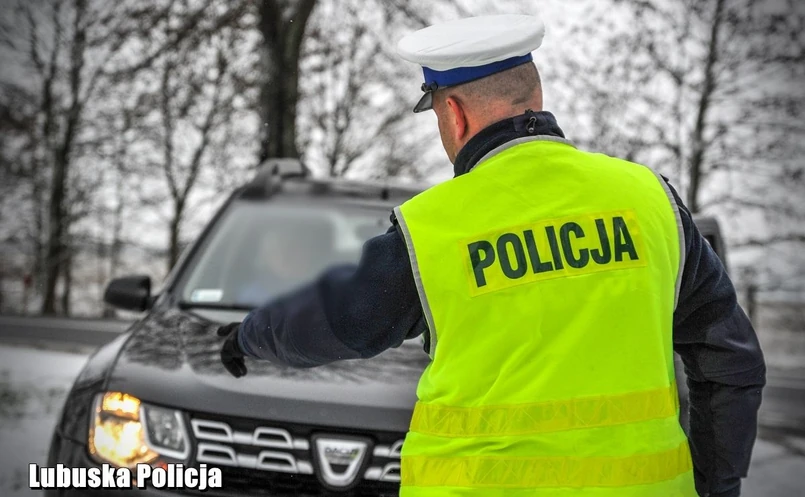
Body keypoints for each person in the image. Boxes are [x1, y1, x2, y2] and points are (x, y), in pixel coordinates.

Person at [217, 14, 765, 497]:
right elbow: (731, 359)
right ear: (535, 98)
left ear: (454, 114)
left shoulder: (434, 228)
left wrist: (248, 336)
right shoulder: (650, 201)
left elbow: (333, 323)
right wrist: (717, 485)